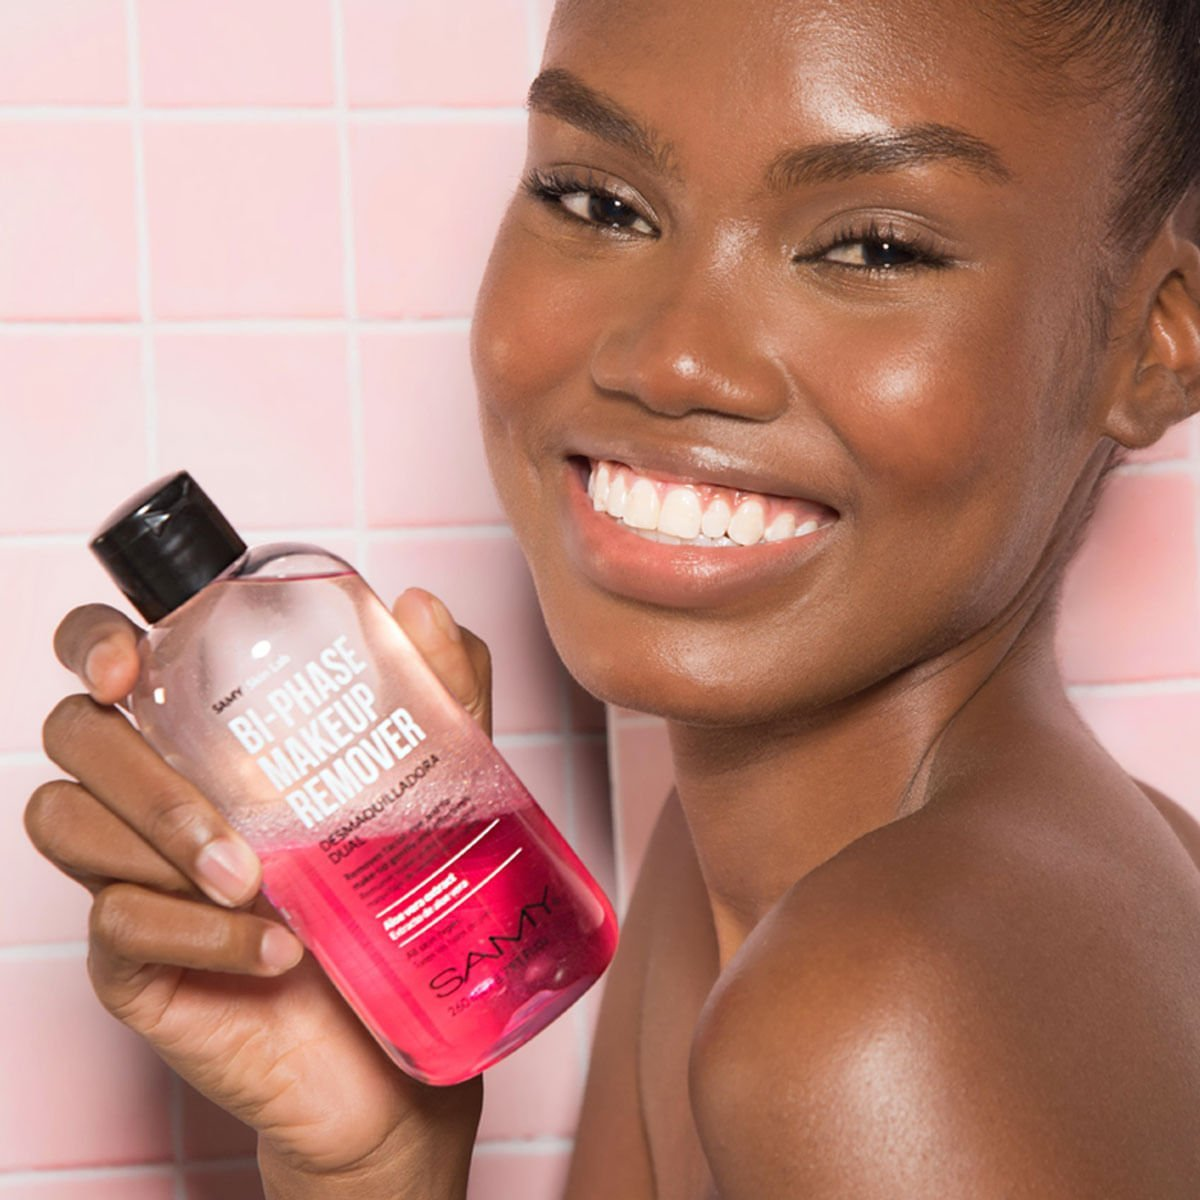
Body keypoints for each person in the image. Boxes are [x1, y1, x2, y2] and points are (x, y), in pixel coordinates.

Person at [25, 0, 1200, 1195]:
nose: (671, 358)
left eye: (874, 249)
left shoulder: (877, 1010)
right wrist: (375, 1161)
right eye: (598, 203)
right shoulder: (739, 875)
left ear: (1157, 342)